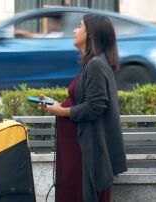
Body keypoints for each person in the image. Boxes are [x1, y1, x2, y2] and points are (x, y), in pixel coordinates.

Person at [41, 13, 127, 202]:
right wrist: (56, 104)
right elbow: (82, 100)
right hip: (78, 148)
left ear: (91, 35)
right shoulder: (92, 63)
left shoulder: (96, 64)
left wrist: (61, 111)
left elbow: (95, 107)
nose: (74, 30)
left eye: (79, 26)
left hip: (85, 152)